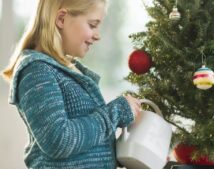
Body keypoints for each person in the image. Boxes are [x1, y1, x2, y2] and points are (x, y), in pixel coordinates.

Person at [1, 0, 141, 168]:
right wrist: (115, 112)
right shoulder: (36, 71)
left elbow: (83, 146)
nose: (98, 35)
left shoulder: (67, 72)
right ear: (61, 19)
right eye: (92, 25)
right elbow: (59, 141)